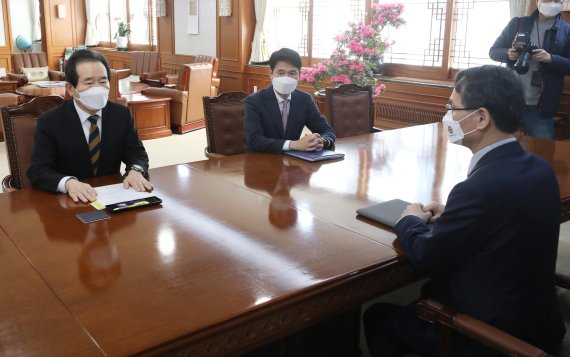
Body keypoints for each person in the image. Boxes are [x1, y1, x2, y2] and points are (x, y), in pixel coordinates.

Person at [363, 65, 565, 356]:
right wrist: (454, 214)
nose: (448, 116)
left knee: (378, 316)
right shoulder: (539, 169)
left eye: (453, 107)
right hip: (540, 323)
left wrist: (408, 219)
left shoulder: (478, 188)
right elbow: (505, 220)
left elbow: (426, 256)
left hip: (491, 337)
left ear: (481, 117)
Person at [28, 49, 152, 203]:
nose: (98, 88)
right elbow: (38, 170)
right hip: (69, 203)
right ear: (70, 89)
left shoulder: (121, 114)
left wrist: (136, 171)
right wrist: (68, 183)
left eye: (103, 81)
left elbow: (136, 153)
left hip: (113, 197)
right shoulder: (50, 121)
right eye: (88, 83)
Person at [489, 0, 570, 140]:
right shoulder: (517, 23)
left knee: (543, 152)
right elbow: (493, 51)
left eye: (557, 0)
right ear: (538, 1)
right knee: (501, 146)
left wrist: (551, 58)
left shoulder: (567, 31)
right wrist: (508, 54)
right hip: (510, 99)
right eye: (548, 0)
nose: (553, 3)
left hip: (541, 105)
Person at [244, 48, 336, 153]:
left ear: (299, 75)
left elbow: (327, 131)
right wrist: (293, 144)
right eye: (281, 73)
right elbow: (254, 141)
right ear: (271, 74)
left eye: (292, 73)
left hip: (293, 162)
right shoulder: (255, 101)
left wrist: (321, 141)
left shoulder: (304, 99)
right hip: (261, 162)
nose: (286, 78)